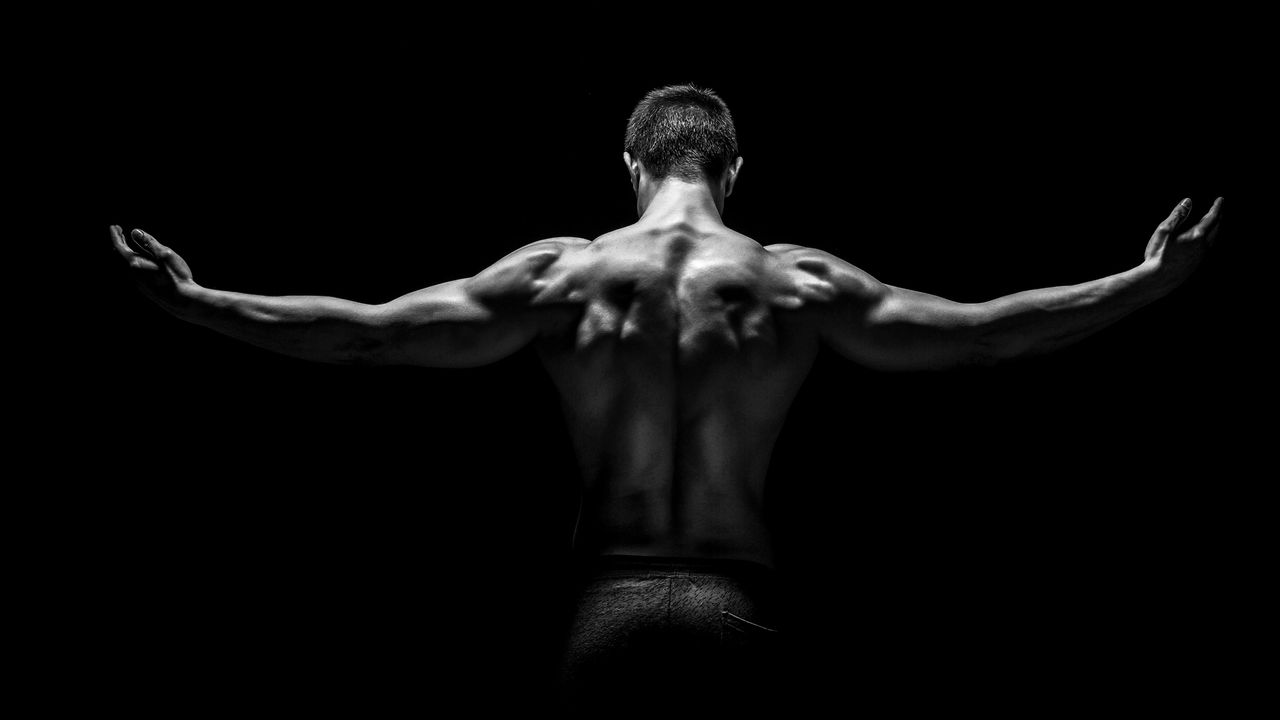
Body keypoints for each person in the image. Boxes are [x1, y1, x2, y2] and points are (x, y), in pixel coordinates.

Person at [109, 84, 1222, 712]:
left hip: (603, 610)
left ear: (629, 165)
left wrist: (200, 301)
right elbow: (982, 339)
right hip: (743, 604)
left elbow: (368, 339)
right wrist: (1139, 282)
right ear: (733, 170)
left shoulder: (562, 276)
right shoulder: (795, 282)